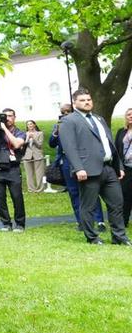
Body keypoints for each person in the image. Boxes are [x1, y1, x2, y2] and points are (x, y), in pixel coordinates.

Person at [57, 88, 128, 246]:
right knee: (88, 206)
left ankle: (119, 237)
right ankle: (93, 237)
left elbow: (109, 143)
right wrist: (78, 167)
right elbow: (69, 147)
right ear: (75, 103)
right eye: (82, 100)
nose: (87, 102)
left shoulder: (98, 118)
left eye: (89, 99)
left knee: (117, 204)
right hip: (87, 170)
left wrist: (119, 165)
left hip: (109, 168)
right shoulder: (69, 121)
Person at [49, 102, 103, 231]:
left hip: (83, 160)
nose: (65, 114)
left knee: (91, 190)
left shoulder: (81, 123)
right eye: (63, 112)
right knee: (73, 192)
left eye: (68, 111)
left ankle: (99, 221)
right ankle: (81, 221)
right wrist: (56, 132)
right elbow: (51, 143)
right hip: (66, 162)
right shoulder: (59, 126)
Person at [0, 108, 27, 231]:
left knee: (17, 197)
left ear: (14, 117)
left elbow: (17, 144)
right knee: (0, 198)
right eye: (5, 116)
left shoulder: (19, 132)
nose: (7, 118)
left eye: (10, 116)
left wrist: (4, 129)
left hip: (12, 169)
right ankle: (6, 223)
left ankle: (20, 224)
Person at [116, 108, 132, 232]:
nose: (131, 116)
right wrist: (118, 168)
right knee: (125, 195)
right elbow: (117, 151)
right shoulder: (121, 132)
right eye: (128, 114)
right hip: (126, 168)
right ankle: (124, 220)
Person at [22, 120, 46, 193]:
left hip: (37, 155)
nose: (30, 126)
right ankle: (31, 189)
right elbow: (23, 145)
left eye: (31, 124)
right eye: (28, 124)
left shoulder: (40, 133)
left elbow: (40, 145)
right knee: (29, 174)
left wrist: (34, 139)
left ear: (34, 125)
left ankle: (40, 189)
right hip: (27, 155)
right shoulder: (24, 134)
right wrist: (27, 138)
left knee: (39, 173)